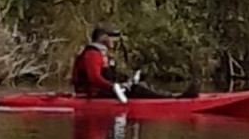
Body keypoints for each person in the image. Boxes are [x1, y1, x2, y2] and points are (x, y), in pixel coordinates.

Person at [71, 26, 199, 102]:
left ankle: (173, 97)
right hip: (94, 96)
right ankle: (175, 99)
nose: (114, 40)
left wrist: (126, 81)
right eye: (112, 37)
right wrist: (114, 87)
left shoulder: (100, 54)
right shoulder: (92, 55)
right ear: (103, 38)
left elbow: (110, 75)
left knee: (138, 85)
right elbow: (94, 79)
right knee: (138, 89)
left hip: (103, 93)